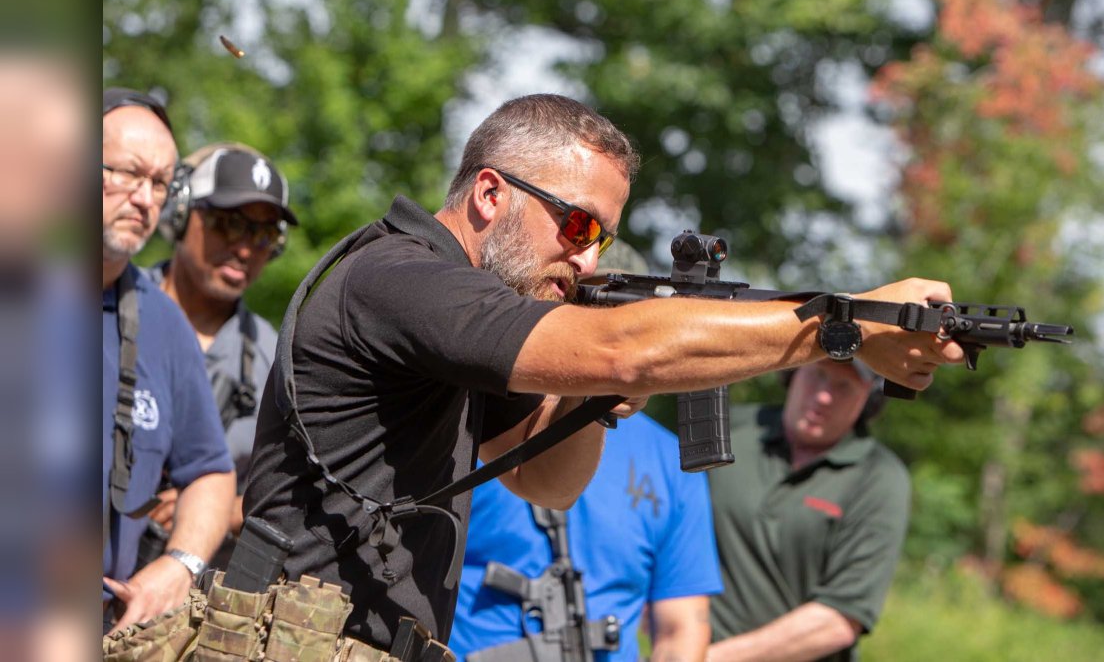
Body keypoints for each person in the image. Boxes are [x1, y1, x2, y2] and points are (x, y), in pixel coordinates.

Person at [244, 93, 964, 652]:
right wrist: (846, 328)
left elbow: (544, 480)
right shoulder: (404, 278)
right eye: (577, 225)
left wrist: (604, 390)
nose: (588, 260)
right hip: (293, 641)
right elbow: (625, 346)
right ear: (491, 194)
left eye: (602, 237)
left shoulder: (446, 315)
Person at [449, 242, 722, 662]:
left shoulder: (670, 459)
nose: (601, 326)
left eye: (621, 311)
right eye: (585, 303)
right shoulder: (484, 418)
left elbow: (682, 627)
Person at [101, 88, 236, 634]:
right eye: (128, 174)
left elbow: (210, 470)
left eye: (159, 184)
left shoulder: (162, 323)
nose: (144, 199)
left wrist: (180, 565)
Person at [144, 142, 295, 565]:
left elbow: (298, 489)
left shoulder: (277, 359)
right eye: (229, 223)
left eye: (264, 234)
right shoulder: (105, 311)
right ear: (179, 214)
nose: (246, 248)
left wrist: (215, 508)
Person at [706, 360, 910, 662]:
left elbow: (841, 618)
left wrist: (706, 658)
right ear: (793, 372)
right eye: (818, 375)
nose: (824, 396)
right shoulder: (728, 431)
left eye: (845, 386)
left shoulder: (878, 476)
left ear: (869, 397)